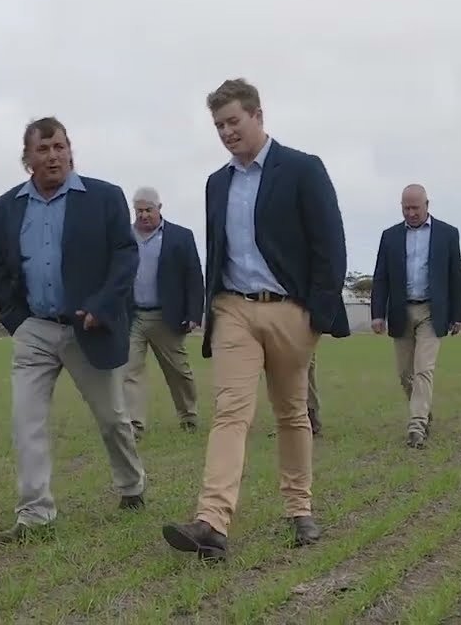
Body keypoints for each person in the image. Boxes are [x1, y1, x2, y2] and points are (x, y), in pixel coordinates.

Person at [161, 78, 349, 562]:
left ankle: (299, 510)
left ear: (258, 116)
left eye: (233, 121)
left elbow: (330, 246)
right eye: (219, 125)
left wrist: (316, 316)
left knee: (291, 412)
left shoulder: (303, 170)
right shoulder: (216, 183)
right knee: (230, 412)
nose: (226, 132)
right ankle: (212, 523)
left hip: (291, 312)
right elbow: (217, 250)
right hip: (233, 309)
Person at [0, 116, 147, 544]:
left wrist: (101, 305)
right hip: (34, 329)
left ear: (70, 150)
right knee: (27, 422)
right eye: (43, 149)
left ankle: (132, 486)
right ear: (28, 159)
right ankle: (35, 513)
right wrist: (15, 319)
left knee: (112, 418)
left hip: (87, 326)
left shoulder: (104, 198)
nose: (52, 156)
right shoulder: (7, 206)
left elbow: (125, 257)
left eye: (59, 146)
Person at [370, 183, 461, 448]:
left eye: (415, 207)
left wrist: (457, 314)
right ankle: (423, 410)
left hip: (431, 312)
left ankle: (416, 426)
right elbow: (381, 277)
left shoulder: (447, 234)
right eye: (405, 207)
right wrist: (378, 313)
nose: (410, 213)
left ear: (427, 205)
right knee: (404, 374)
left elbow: (455, 276)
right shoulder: (389, 236)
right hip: (401, 311)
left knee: (424, 369)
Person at [121, 186, 204, 437]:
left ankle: (188, 416)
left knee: (178, 371)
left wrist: (193, 314)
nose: (144, 215)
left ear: (160, 208)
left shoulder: (181, 236)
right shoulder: (123, 236)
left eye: (148, 210)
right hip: (132, 315)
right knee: (129, 370)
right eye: (139, 210)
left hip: (166, 316)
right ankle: (134, 424)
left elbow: (193, 277)